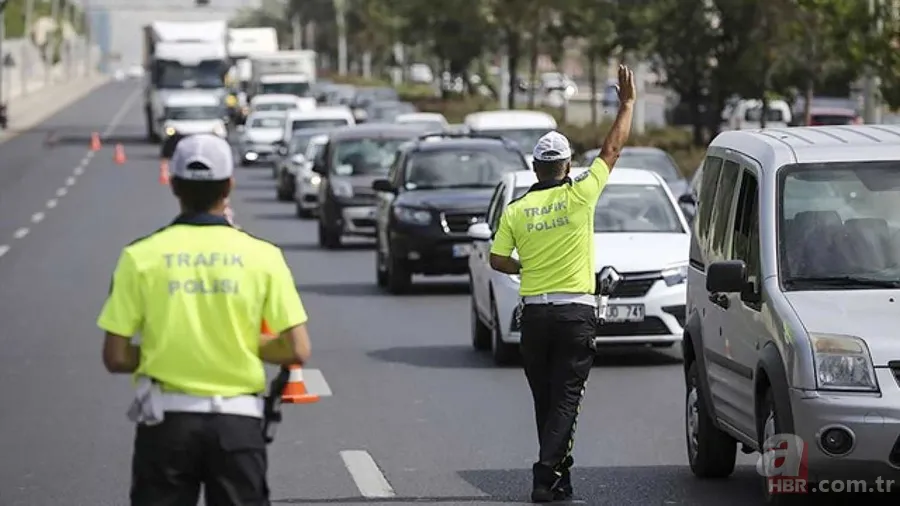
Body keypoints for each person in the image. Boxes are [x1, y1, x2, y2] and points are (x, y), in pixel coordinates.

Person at [98, 133, 312, 506]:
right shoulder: (263, 257)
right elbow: (298, 348)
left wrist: (163, 350)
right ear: (229, 185)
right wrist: (244, 345)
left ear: (175, 185)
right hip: (238, 425)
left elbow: (115, 356)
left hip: (166, 424)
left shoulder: (140, 257)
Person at [488, 65, 636, 503]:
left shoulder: (517, 210)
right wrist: (627, 104)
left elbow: (497, 260)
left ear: (535, 168)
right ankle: (543, 474)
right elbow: (611, 149)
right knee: (567, 399)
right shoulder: (580, 194)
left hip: (534, 314)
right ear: (568, 165)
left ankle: (558, 477)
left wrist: (524, 267)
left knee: (546, 400)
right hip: (575, 314)